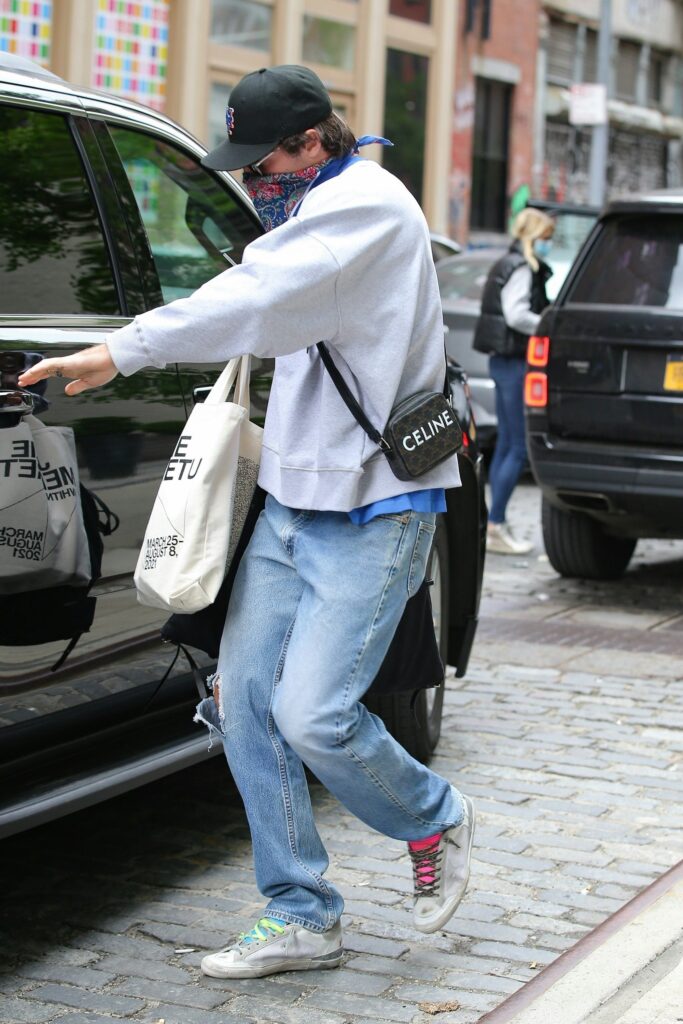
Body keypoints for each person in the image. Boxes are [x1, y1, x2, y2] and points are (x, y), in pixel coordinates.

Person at [19, 65, 475, 981]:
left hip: (374, 503)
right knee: (239, 702)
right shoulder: (311, 210)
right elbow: (266, 309)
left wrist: (119, 348)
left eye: (262, 165)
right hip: (296, 499)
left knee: (315, 715)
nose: (253, 185)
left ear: (314, 142)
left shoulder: (363, 211)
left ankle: (433, 817)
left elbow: (251, 302)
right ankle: (300, 911)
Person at [473, 208, 555, 555]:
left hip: (503, 361)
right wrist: (548, 325)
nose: (549, 244)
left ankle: (496, 520)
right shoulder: (521, 267)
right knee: (516, 446)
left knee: (508, 444)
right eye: (548, 237)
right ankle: (495, 523)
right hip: (514, 361)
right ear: (535, 236)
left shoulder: (507, 262)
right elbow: (516, 314)